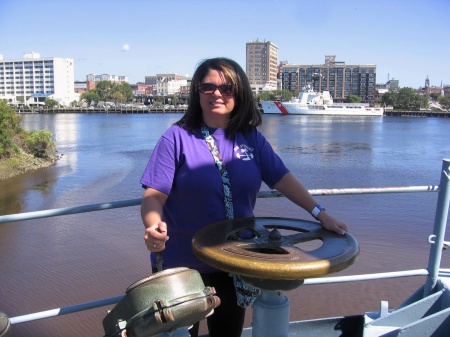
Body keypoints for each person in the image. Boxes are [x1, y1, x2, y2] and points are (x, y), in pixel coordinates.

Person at [140, 57, 348, 337]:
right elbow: (154, 195)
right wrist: (152, 226)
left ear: (239, 93)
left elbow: (283, 179)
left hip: (235, 261)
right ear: (196, 93)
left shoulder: (251, 138)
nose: (217, 94)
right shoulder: (176, 138)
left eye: (227, 88)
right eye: (208, 87)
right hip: (183, 264)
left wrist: (320, 213)